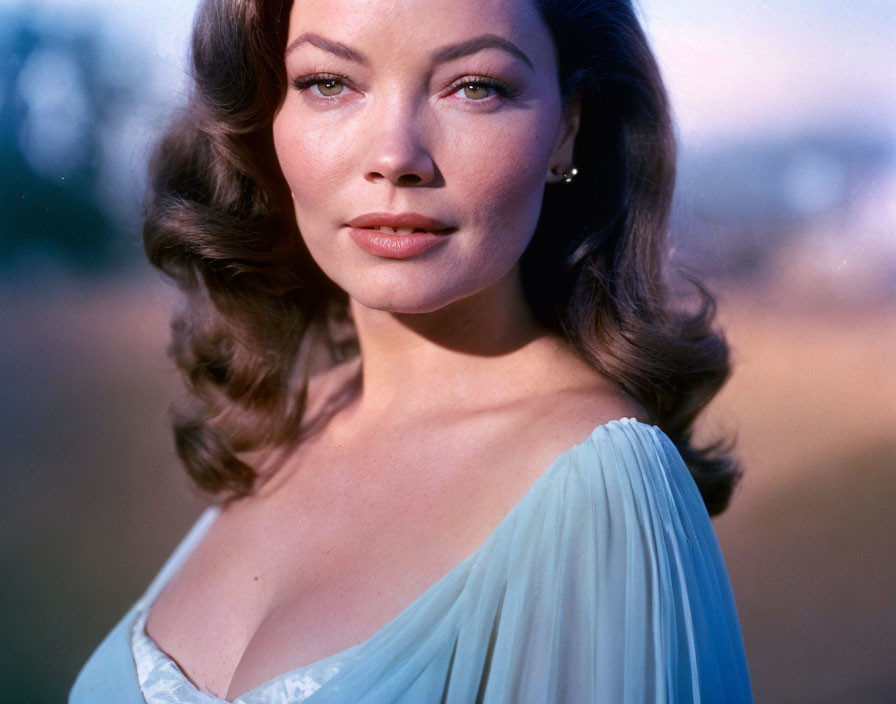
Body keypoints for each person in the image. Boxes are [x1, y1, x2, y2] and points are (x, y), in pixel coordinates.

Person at [71, 0, 753, 701]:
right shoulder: (287, 425)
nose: (395, 156)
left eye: (475, 86)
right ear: (264, 116)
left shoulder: (602, 486)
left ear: (567, 128)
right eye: (329, 83)